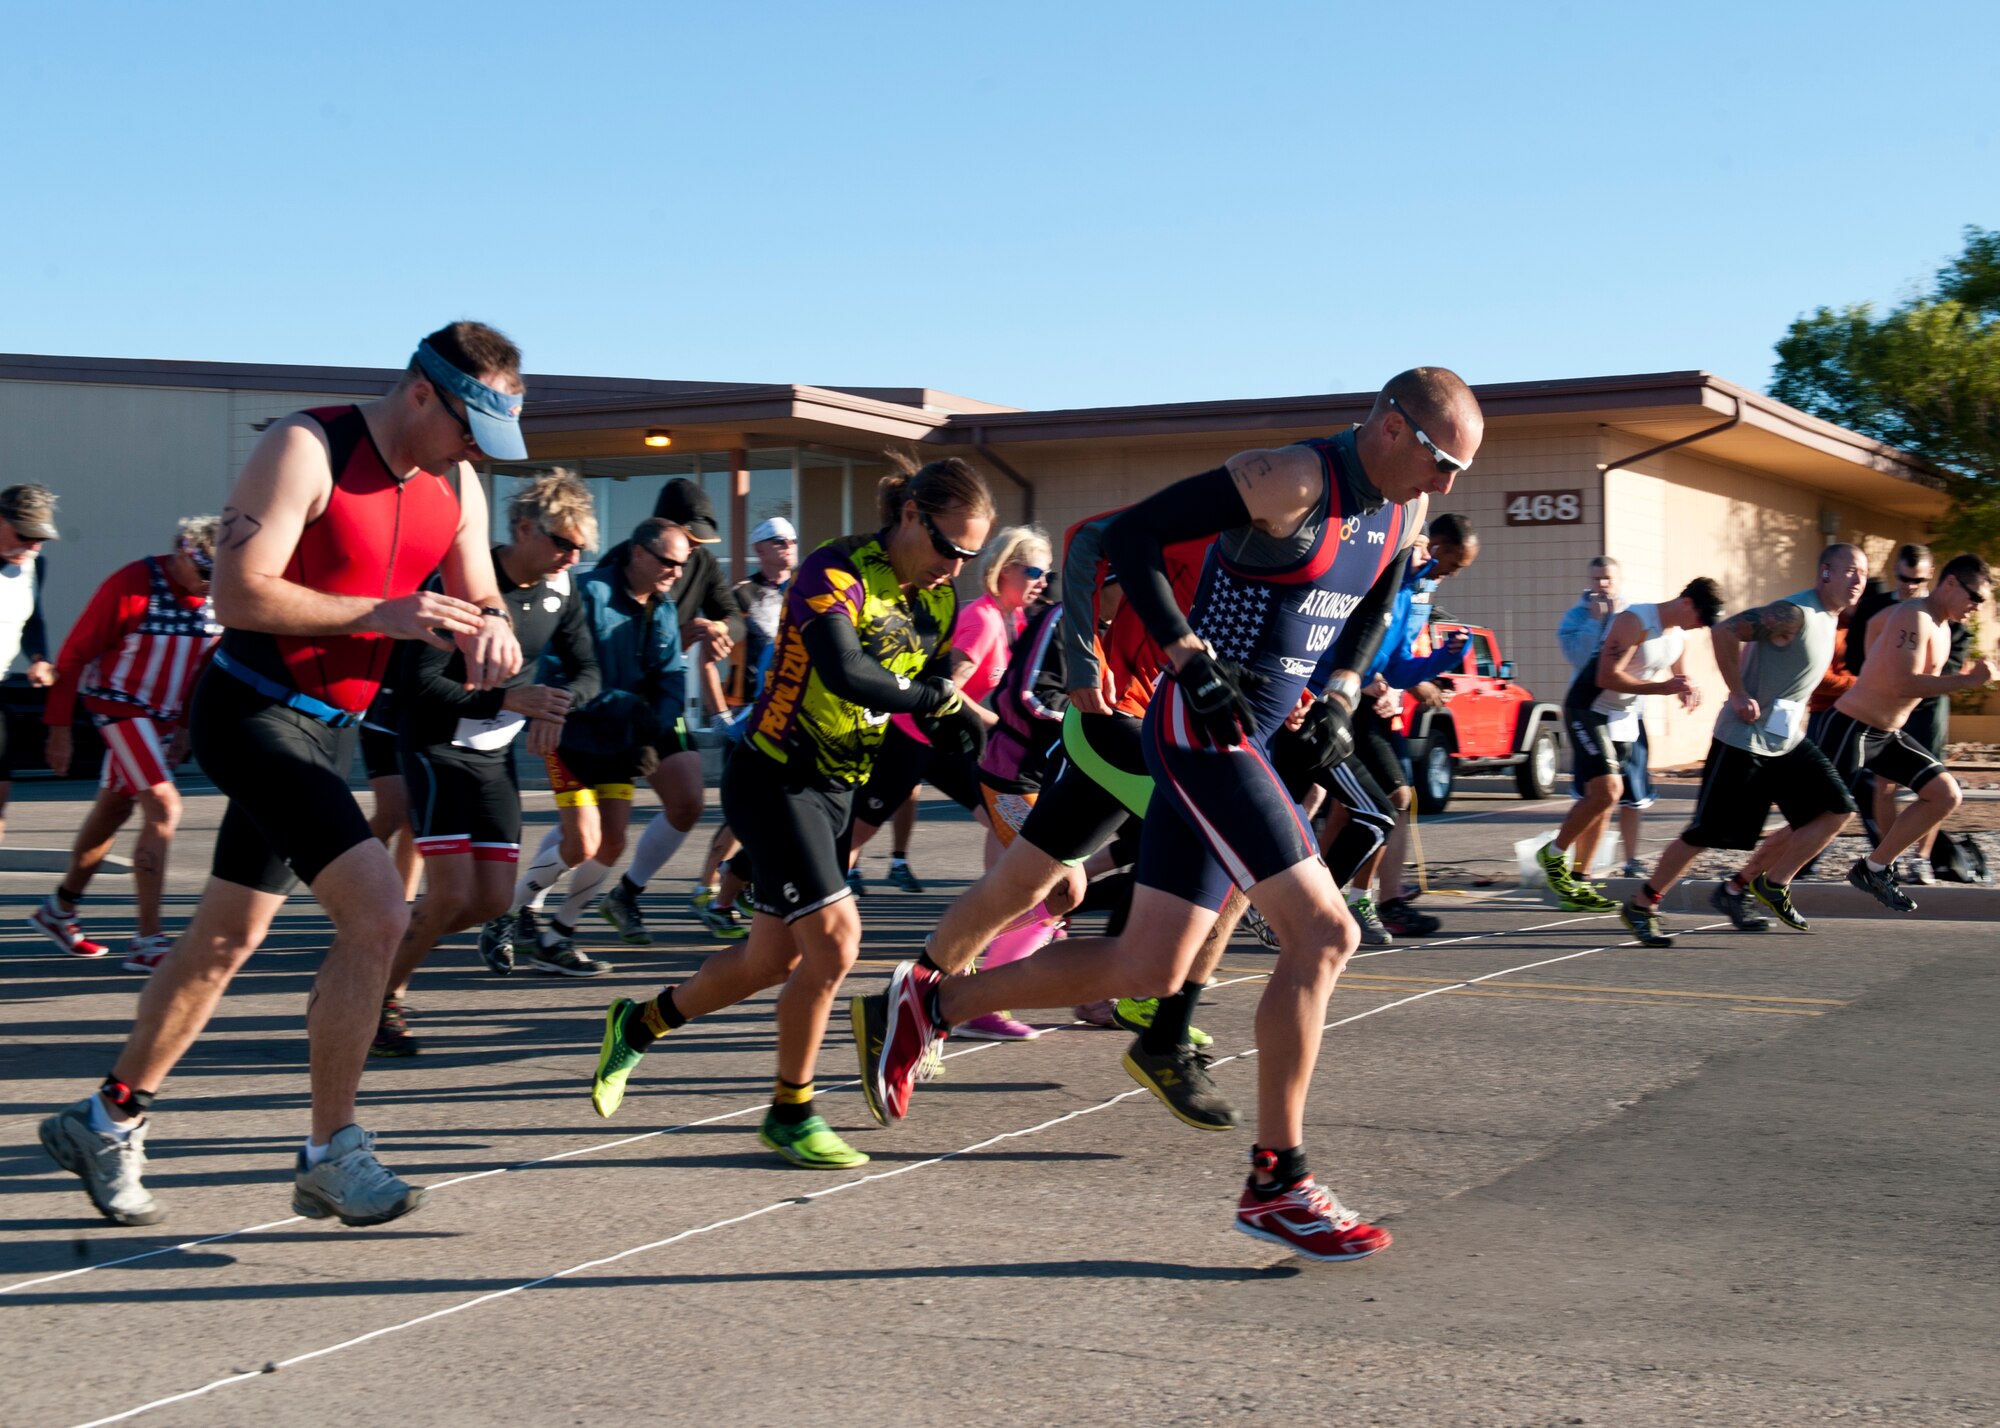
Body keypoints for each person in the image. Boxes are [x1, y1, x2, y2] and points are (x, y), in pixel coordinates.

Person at [858, 367, 1482, 1261]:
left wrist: (1340, 691)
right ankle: (1279, 1181)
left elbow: (1378, 591)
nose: (1448, 484)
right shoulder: (1292, 479)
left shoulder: (1407, 508)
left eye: (1459, 467)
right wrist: (1187, 657)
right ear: (1390, 428)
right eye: (1439, 459)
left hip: (1252, 739)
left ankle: (931, 1006)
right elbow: (1130, 537)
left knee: (1148, 964)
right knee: (1325, 934)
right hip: (1200, 730)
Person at [37, 321, 525, 1227]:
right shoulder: (304, 445)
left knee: (224, 943)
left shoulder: (456, 482)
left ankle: (105, 1117)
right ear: (423, 392)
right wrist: (382, 612)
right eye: (469, 429)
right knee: (379, 912)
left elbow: (476, 588)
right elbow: (237, 591)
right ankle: (330, 1153)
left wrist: (491, 622)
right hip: (252, 711)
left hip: (330, 730)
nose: (474, 452)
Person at [589, 455, 993, 1170]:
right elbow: (845, 669)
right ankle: (790, 1110)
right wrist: (935, 700)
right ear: (909, 516)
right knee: (837, 942)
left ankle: (639, 1023)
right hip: (773, 776)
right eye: (948, 548)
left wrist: (960, 720)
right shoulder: (832, 570)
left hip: (837, 785)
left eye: (969, 555)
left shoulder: (935, 599)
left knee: (770, 960)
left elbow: (926, 685)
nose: (954, 568)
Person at [372, 469, 602, 1053]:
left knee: (495, 899)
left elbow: (589, 670)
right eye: (562, 544)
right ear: (523, 528)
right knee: (449, 894)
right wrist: (510, 699)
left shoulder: (562, 589)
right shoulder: (462, 584)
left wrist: (558, 705)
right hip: (434, 743)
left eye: (580, 548)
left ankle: (377, 952)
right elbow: (419, 686)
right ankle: (380, 997)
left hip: (493, 754)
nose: (571, 558)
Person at [1616, 546, 1868, 946]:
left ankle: (1759, 885)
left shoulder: (1831, 621)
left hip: (1785, 741)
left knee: (1836, 809)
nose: (1858, 580)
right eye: (1850, 571)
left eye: (1864, 574)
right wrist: (1737, 692)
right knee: (1704, 833)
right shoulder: (1794, 613)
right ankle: (1642, 905)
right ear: (1825, 572)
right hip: (1743, 739)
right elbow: (1724, 630)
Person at [499, 517, 690, 974]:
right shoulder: (587, 593)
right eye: (668, 562)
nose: (676, 573)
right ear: (638, 554)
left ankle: (558, 935)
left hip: (622, 742)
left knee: (613, 842)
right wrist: (624, 706)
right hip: (572, 735)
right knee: (582, 840)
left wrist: (655, 724)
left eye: (683, 565)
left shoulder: (662, 608)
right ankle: (505, 915)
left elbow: (671, 678)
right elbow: (554, 671)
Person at [31, 516, 222, 969]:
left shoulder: (222, 593)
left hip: (163, 718)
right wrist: (59, 731)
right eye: (206, 574)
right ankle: (149, 940)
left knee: (114, 810)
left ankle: (58, 910)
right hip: (117, 705)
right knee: (164, 807)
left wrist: (185, 728)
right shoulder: (135, 582)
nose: (213, 586)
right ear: (181, 552)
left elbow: (207, 665)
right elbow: (75, 653)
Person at [846, 527, 1050, 894]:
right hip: (911, 735)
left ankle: (1000, 910)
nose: (1042, 582)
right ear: (1006, 570)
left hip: (947, 741)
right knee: (856, 834)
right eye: (1034, 572)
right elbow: (945, 689)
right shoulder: (984, 620)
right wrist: (1000, 727)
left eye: (1047, 575)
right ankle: (799, 901)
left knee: (1002, 819)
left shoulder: (1015, 621)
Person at [586, 479, 734, 942]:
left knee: (689, 801)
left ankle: (626, 895)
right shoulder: (622, 562)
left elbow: (734, 612)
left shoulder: (703, 562)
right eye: (686, 539)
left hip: (663, 702)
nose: (687, 555)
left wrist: (714, 626)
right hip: (607, 707)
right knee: (593, 835)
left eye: (695, 545)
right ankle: (525, 909)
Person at [1320, 514, 1479, 941]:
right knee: (1328, 805)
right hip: (1335, 703)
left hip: (1373, 708)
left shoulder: (1417, 590)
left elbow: (1400, 664)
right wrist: (1358, 680)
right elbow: (1338, 642)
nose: (1449, 570)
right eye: (1451, 561)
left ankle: (1354, 901)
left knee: (1383, 805)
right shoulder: (1381, 579)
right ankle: (1315, 902)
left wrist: (1445, 658)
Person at [1806, 553, 1994, 911]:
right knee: (1823, 818)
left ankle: (1874, 867)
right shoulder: (1914, 616)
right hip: (1853, 725)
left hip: (1886, 732)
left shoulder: (1943, 626)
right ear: (1951, 582)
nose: (1976, 607)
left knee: (1945, 795)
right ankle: (1745, 884)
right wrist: (1967, 680)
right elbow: (1903, 682)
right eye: (1975, 597)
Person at [1536, 579, 1721, 910]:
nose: (1700, 628)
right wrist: (1663, 688)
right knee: (1607, 791)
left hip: (1623, 716)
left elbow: (1679, 675)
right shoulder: (1634, 620)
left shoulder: (1678, 637)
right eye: (1702, 620)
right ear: (1688, 604)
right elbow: (1605, 677)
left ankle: (1579, 882)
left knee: (1606, 799)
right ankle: (1553, 854)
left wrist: (1688, 688)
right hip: (1588, 708)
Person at [690, 515, 798, 940]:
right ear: (759, 548)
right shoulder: (743, 598)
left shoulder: (802, 593)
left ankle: (742, 888)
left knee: (773, 811)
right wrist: (721, 717)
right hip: (747, 716)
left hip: (789, 718)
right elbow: (708, 657)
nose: (788, 545)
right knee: (744, 811)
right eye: (778, 540)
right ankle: (708, 887)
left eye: (791, 539)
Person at [1556, 556, 1654, 877]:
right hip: (1591, 715)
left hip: (1627, 713)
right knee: (1596, 793)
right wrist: (1598, 624)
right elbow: (1585, 661)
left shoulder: (1634, 615)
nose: (1602, 585)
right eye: (1596, 579)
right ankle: (1579, 865)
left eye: (1608, 579)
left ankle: (1631, 859)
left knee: (1630, 793)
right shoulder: (1575, 618)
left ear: (1619, 580)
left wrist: (1614, 620)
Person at [0, 483, 60, 844]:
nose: (33, 546)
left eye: (41, 539)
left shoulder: (33, 565)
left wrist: (40, 658)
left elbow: (33, 620)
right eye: (25, 535)